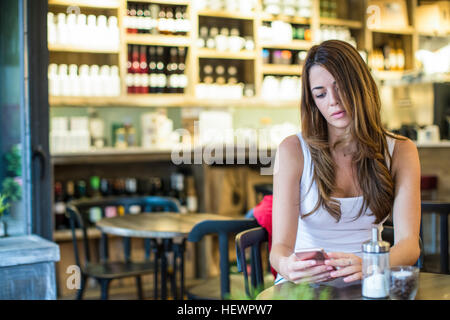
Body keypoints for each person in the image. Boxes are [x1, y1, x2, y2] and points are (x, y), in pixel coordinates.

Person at [270, 40, 421, 285]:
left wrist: (372, 265)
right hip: (306, 284)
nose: (333, 101)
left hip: (371, 278)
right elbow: (280, 248)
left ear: (361, 86)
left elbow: (409, 245)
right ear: (313, 102)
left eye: (341, 88)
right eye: (320, 94)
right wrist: (287, 266)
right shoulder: (293, 150)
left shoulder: (401, 151)